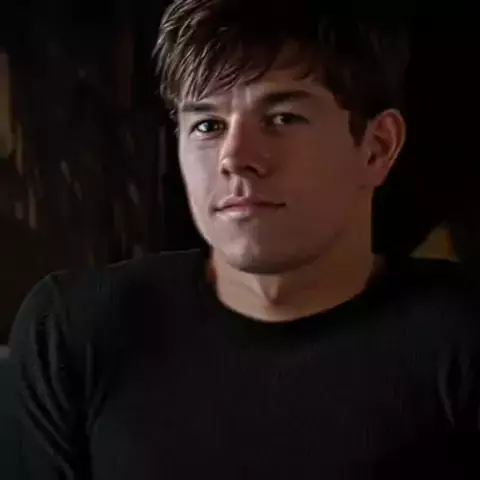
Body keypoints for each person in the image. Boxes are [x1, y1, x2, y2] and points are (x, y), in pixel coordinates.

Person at [7, 1, 480, 478]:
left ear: (376, 148)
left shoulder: (459, 339)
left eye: (283, 118)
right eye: (207, 125)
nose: (234, 157)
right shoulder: (76, 332)